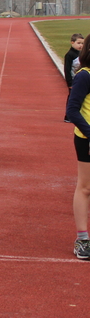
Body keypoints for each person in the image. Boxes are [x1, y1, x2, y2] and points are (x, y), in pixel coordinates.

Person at [66, 37, 90, 259]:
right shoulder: (85, 76)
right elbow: (72, 110)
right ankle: (82, 239)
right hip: (87, 139)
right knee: (85, 188)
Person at [64, 34, 84, 122]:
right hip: (73, 81)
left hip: (81, 80)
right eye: (78, 43)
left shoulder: (81, 53)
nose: (80, 45)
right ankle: (68, 116)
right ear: (72, 42)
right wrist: (70, 83)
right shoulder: (69, 55)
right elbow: (67, 70)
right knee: (72, 99)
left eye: (82, 43)